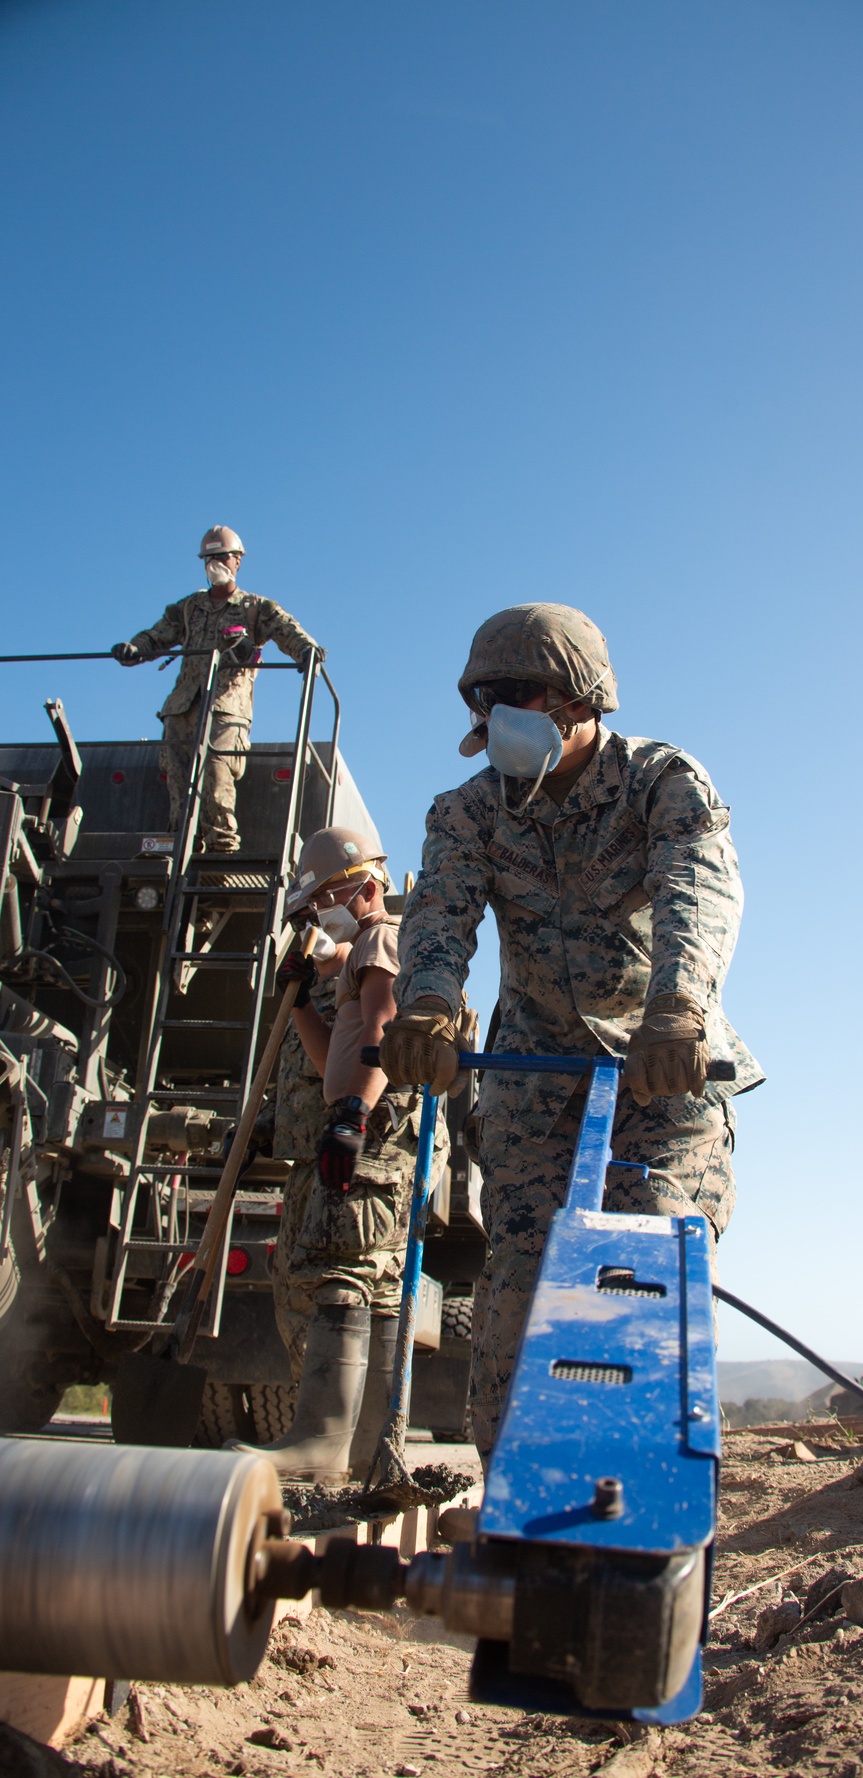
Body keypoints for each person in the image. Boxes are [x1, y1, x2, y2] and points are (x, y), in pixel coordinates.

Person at [379, 602, 764, 1461]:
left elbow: (697, 891)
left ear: (582, 698)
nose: (504, 710)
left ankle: (641, 1500)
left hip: (661, 1068)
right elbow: (439, 916)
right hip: (532, 1084)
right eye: (492, 696)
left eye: (525, 690)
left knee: (644, 1266)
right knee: (519, 1290)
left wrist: (678, 1010)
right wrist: (428, 1008)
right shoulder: (469, 811)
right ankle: (517, 1500)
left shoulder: (661, 781)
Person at [241, 825, 449, 1480]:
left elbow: (385, 1027)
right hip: (357, 1122)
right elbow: (330, 1056)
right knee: (377, 1288)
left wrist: (354, 1111)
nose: (313, 918)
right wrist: (301, 1000)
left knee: (345, 1268)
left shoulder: (383, 936)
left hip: (374, 1134)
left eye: (322, 901)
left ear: (364, 888)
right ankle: (365, 1449)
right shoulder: (352, 952)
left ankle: (323, 1437)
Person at [110, 525, 324, 853]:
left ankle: (222, 846)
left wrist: (307, 650)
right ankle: (182, 845)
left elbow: (287, 630)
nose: (216, 564)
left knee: (217, 772)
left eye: (222, 557)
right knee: (178, 779)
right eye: (209, 558)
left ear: (238, 560)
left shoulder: (255, 607)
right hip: (183, 706)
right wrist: (134, 649)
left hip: (226, 707)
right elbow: (157, 635)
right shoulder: (188, 608)